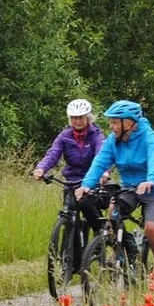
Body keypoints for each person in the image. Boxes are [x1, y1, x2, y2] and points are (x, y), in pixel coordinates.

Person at [77, 100, 154, 269]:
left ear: (128, 123)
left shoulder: (148, 137)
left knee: (151, 228)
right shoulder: (113, 141)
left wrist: (151, 180)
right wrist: (86, 185)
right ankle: (120, 253)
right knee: (113, 213)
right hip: (130, 187)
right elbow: (100, 162)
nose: (111, 126)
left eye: (114, 122)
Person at [34, 99, 105, 231]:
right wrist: (41, 168)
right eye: (74, 118)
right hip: (71, 181)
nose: (77, 121)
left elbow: (101, 156)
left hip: (91, 181)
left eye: (80, 118)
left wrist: (102, 173)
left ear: (88, 118)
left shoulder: (96, 136)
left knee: (85, 205)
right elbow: (53, 153)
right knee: (69, 215)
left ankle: (100, 234)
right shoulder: (65, 135)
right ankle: (70, 250)